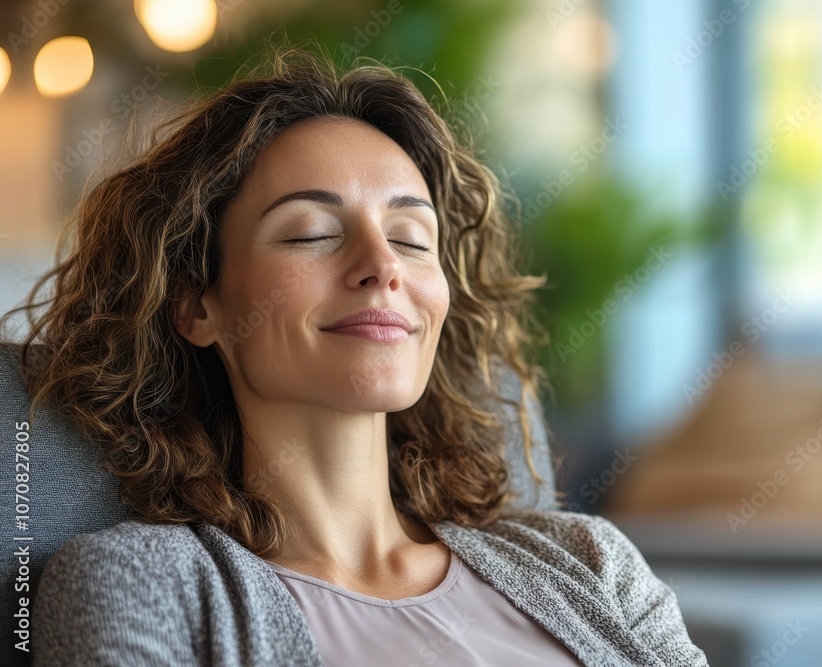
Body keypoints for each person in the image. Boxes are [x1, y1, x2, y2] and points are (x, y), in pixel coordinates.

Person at [12, 42, 709, 666]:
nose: (383, 267)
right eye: (312, 232)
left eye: (411, 237)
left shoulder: (591, 561)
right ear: (197, 304)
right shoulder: (141, 584)